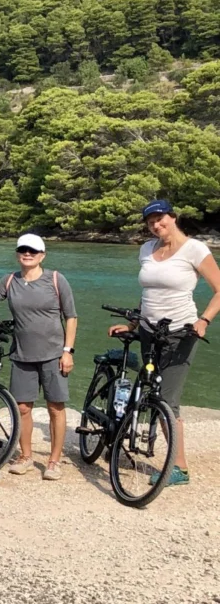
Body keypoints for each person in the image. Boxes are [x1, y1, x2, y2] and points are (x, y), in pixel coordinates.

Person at [108, 199, 220, 487]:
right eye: (150, 221)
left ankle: (179, 468)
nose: (156, 225)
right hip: (148, 331)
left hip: (181, 334)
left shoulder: (195, 249)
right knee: (152, 391)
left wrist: (204, 320)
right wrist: (133, 323)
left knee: (167, 400)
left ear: (173, 217)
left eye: (161, 219)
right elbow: (150, 293)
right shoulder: (147, 249)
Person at [0, 233, 77, 481]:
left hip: (53, 354)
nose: (27, 254)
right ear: (18, 254)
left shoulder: (55, 279)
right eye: (22, 250)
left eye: (32, 251)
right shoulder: (10, 281)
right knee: (22, 408)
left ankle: (54, 461)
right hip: (21, 354)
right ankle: (26, 456)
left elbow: (71, 317)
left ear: (42, 255)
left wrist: (67, 351)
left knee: (55, 407)